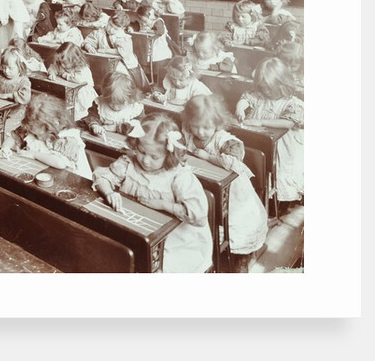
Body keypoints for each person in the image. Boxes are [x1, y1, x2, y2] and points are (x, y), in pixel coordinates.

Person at [93, 114, 213, 273]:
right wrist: (109, 192)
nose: (145, 160)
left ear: (169, 154)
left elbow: (198, 215)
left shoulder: (179, 176)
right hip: (139, 231)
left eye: (154, 156)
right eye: (141, 152)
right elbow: (103, 177)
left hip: (175, 242)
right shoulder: (129, 162)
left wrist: (164, 205)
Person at [182, 94, 268, 271]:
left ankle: (243, 256)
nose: (200, 132)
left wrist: (208, 156)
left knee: (238, 225)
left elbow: (233, 161)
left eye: (206, 127)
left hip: (233, 192)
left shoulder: (223, 139)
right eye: (195, 126)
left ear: (217, 123)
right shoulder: (189, 133)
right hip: (205, 184)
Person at [236, 58, 304, 206]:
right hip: (261, 140)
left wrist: (260, 122)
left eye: (269, 88)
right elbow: (246, 98)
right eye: (262, 87)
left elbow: (288, 122)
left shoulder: (292, 103)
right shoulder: (260, 95)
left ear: (282, 84)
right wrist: (240, 107)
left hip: (282, 145)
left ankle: (281, 201)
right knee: (258, 165)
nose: (265, 91)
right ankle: (259, 192)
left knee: (280, 172)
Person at [0, 94, 93, 180]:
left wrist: (34, 154)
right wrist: (5, 148)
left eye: (39, 134)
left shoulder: (67, 138)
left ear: (52, 126)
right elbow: (13, 137)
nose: (37, 137)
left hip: (72, 180)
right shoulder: (32, 126)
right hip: (45, 173)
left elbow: (60, 163)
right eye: (34, 133)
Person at [85, 9, 149, 92]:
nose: (111, 30)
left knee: (120, 84)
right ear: (108, 20)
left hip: (122, 65)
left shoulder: (123, 38)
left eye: (115, 29)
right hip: (103, 64)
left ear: (123, 28)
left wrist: (104, 51)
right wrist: (89, 46)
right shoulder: (99, 33)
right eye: (110, 25)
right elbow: (88, 41)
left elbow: (123, 52)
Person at [83, 71, 145, 139]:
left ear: (130, 99)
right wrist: (95, 125)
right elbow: (91, 116)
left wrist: (117, 128)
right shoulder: (99, 104)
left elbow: (140, 128)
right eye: (110, 102)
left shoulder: (134, 109)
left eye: (119, 104)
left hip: (125, 142)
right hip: (104, 139)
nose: (115, 107)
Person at [48, 42, 97, 121]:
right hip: (70, 93)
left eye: (64, 63)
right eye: (60, 62)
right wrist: (52, 73)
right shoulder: (61, 65)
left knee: (82, 115)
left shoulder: (82, 68)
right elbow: (53, 67)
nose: (62, 65)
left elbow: (78, 79)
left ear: (75, 60)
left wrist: (64, 74)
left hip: (82, 95)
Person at [128, 4, 175, 82]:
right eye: (141, 20)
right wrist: (131, 28)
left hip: (158, 44)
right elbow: (135, 24)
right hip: (147, 44)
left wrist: (151, 32)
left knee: (157, 58)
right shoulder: (142, 21)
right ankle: (146, 75)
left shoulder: (158, 22)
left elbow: (160, 32)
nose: (143, 23)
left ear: (151, 17)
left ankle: (157, 77)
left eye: (145, 21)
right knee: (144, 57)